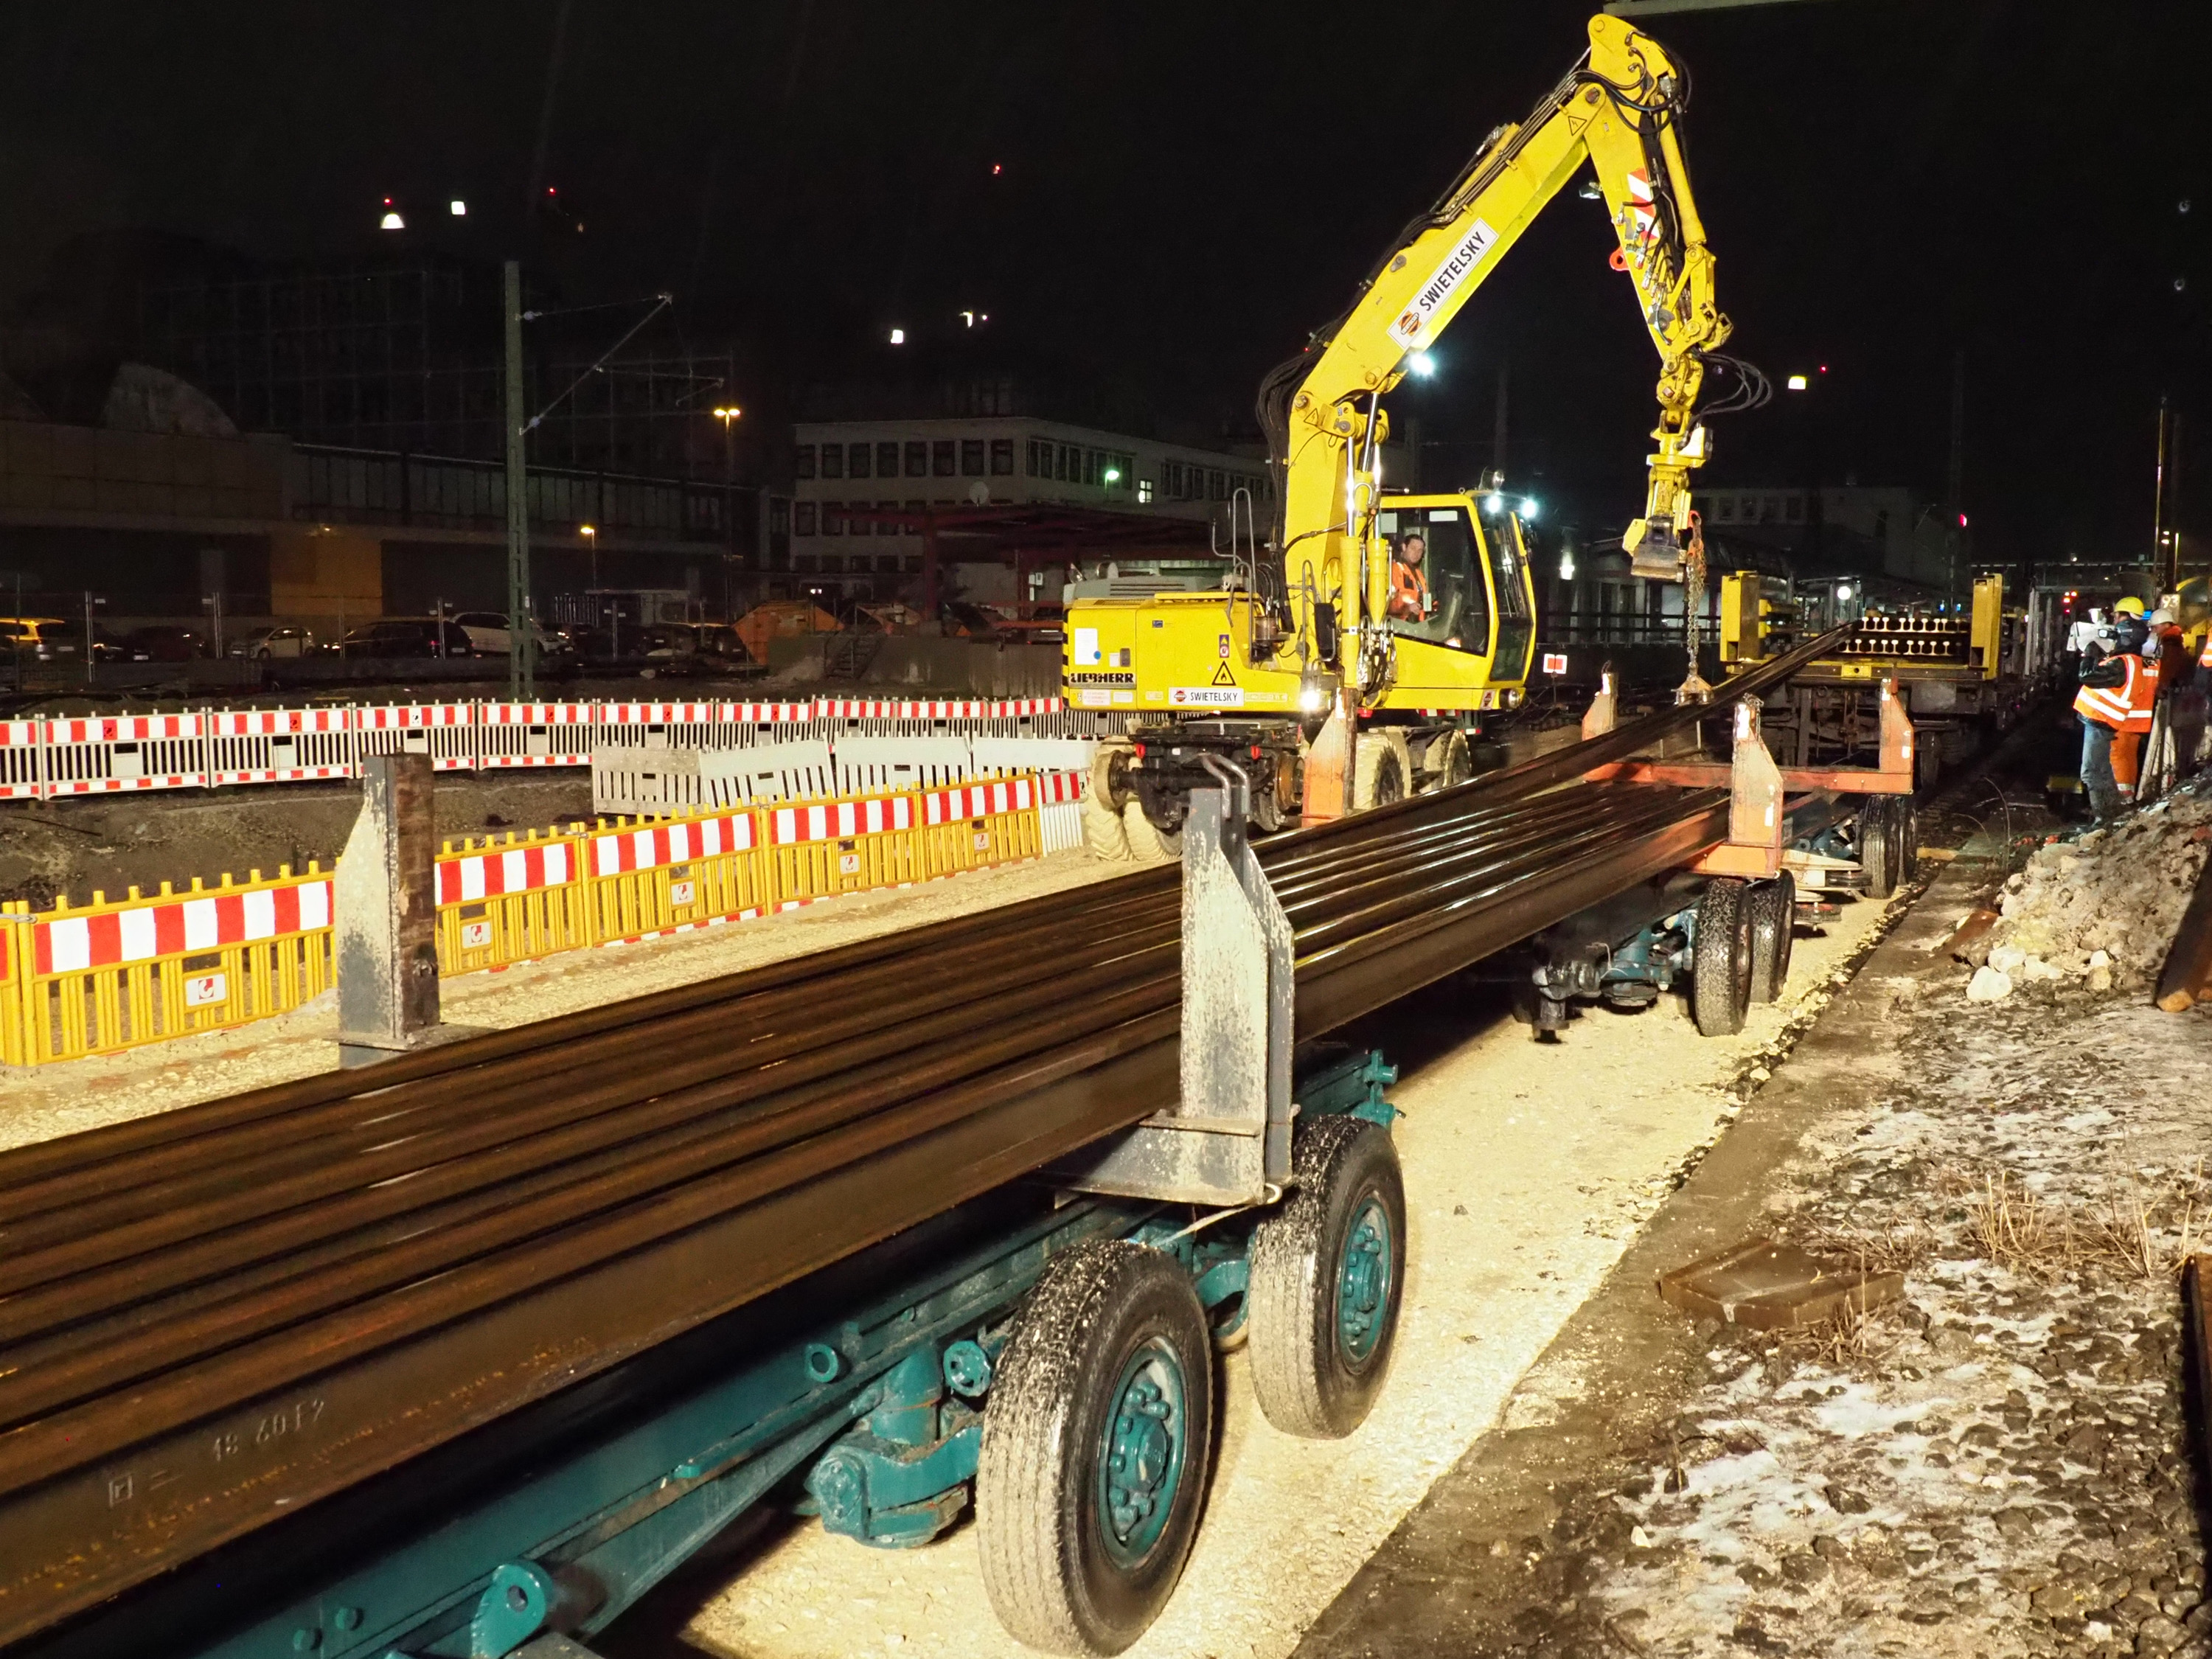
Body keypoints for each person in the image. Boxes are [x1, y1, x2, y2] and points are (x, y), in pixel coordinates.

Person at [2075, 611, 2153, 821]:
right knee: (2103, 772)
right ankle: (2112, 814)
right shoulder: (2131, 662)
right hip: (2103, 722)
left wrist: (2089, 655)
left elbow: (2087, 677)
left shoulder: (2122, 664)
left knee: (2092, 773)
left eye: (2116, 637)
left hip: (2100, 723)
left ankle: (2103, 819)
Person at [1388, 531, 1432, 622]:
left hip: (1416, 626)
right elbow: (1388, 603)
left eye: (1420, 550)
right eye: (1413, 548)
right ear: (1404, 547)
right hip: (1400, 626)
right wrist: (1407, 608)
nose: (1416, 553)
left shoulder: (1419, 574)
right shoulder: (1394, 570)